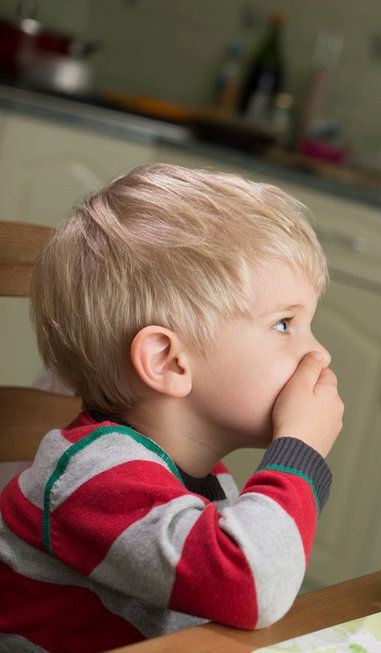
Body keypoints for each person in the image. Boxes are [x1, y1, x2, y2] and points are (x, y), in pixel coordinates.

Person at [0, 164, 344, 651]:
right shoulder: (93, 478)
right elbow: (252, 587)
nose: (319, 354)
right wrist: (300, 450)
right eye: (284, 324)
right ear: (167, 361)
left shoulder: (201, 475)